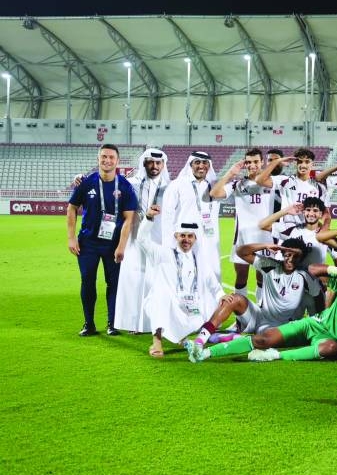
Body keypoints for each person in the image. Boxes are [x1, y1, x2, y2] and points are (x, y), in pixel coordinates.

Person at [189, 264, 337, 362]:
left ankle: (274, 356)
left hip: (332, 339)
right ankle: (205, 353)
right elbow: (313, 269)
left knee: (330, 347)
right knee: (263, 338)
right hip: (312, 324)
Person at [184, 237, 319, 357]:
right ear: (282, 254)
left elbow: (317, 307)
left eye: (296, 256)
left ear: (301, 258)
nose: (290, 259)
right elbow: (241, 252)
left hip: (283, 327)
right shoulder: (270, 266)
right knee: (234, 299)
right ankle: (199, 341)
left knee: (264, 341)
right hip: (260, 317)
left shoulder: (305, 277)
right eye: (287, 255)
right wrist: (265, 246)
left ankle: (230, 337)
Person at [67, 144, 138, 336]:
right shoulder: (86, 182)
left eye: (111, 157)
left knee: (113, 284)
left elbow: (129, 218)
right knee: (87, 281)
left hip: (113, 244)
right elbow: (72, 207)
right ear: (98, 159)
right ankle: (89, 324)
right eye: (104, 157)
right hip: (87, 243)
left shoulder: (125, 186)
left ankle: (112, 323)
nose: (107, 160)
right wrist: (71, 238)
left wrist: (121, 246)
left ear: (117, 161)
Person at [138, 212, 225, 358]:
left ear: (195, 238)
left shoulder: (199, 259)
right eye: (182, 236)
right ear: (176, 236)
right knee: (162, 297)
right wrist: (148, 219)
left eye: (190, 236)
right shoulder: (163, 253)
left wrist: (222, 296)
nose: (186, 240)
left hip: (188, 305)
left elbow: (212, 283)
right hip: (164, 301)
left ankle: (182, 338)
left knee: (199, 311)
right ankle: (156, 341)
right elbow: (141, 239)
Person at [114, 147, 170, 335]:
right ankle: (134, 324)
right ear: (143, 163)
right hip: (134, 238)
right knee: (134, 280)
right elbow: (105, 182)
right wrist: (81, 178)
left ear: (163, 164)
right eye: (150, 162)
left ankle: (155, 322)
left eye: (158, 163)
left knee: (156, 280)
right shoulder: (131, 183)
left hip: (159, 239)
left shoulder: (170, 186)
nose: (154, 166)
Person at [210, 148, 272, 298]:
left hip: (265, 238)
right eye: (249, 162)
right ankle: (241, 320)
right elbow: (214, 194)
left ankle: (262, 317)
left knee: (262, 278)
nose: (252, 165)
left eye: (256, 162)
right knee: (241, 278)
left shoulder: (272, 183)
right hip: (242, 238)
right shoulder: (237, 184)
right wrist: (231, 173)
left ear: (262, 162)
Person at [161, 151, 221, 282]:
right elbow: (167, 215)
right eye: (197, 162)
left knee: (207, 277)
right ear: (190, 164)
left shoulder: (213, 187)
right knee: (183, 277)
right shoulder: (177, 184)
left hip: (206, 240)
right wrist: (170, 238)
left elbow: (214, 216)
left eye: (205, 163)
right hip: (184, 239)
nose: (201, 166)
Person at [255, 148, 326, 233]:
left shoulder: (319, 187)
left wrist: (323, 228)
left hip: (309, 231)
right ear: (295, 164)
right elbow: (259, 180)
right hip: (287, 229)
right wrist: (278, 161)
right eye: (300, 162)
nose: (303, 165)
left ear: (312, 164)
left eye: (307, 162)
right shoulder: (285, 181)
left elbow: (324, 212)